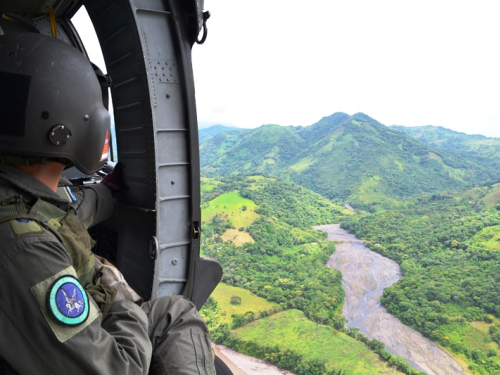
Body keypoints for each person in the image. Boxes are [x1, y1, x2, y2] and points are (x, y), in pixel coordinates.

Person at [0, 32, 215, 375]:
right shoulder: (27, 248)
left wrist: (107, 192)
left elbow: (65, 208)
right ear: (66, 127)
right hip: (107, 352)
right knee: (176, 319)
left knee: (174, 311)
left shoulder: (17, 194)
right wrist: (114, 290)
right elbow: (121, 369)